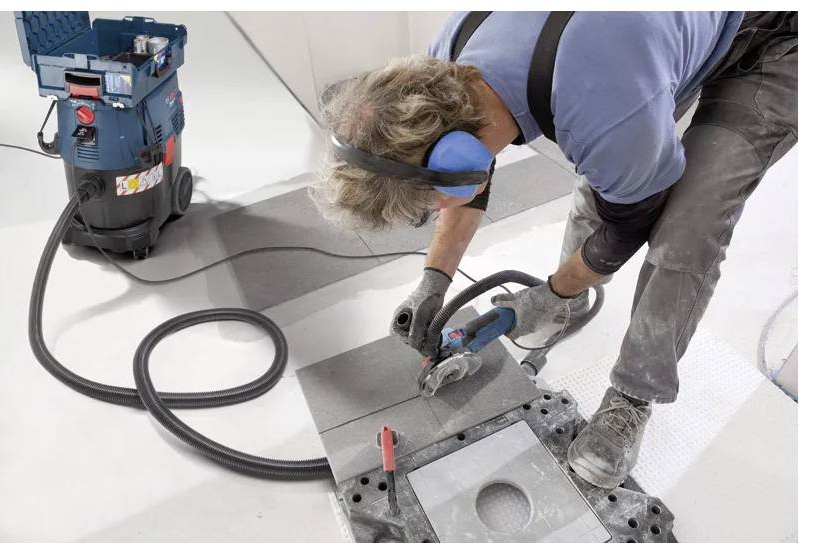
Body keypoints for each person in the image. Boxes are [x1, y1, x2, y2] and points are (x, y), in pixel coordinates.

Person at [310, 12, 797, 489]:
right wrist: (432, 280)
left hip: (775, 40)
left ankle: (632, 396)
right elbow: (472, 181)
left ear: (459, 157)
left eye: (426, 205)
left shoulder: (604, 98)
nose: (430, 211)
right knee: (610, 169)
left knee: (689, 224)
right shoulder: (451, 56)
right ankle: (571, 304)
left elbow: (628, 228)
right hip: (646, 43)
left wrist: (549, 293)